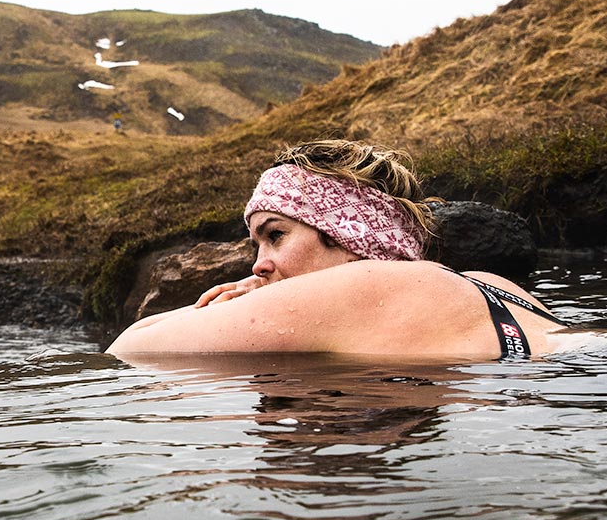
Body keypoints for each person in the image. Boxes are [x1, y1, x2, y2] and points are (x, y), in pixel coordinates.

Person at [106, 139, 576, 361]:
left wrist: (231, 302)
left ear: (347, 234)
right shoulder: (491, 285)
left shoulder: (359, 285)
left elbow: (131, 350)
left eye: (276, 235)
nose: (258, 264)